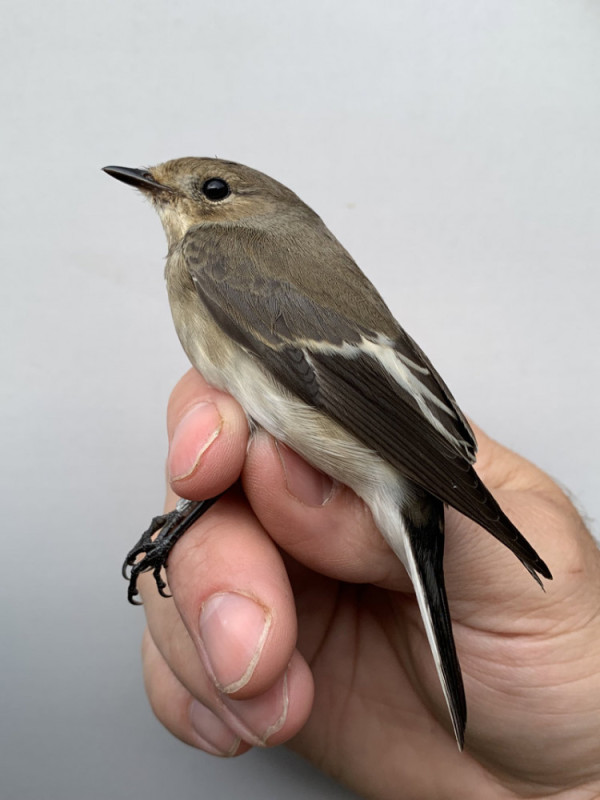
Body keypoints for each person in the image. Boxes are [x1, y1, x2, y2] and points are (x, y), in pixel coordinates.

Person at [138, 369, 600, 799]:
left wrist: (583, 776)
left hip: (388, 457)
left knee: (247, 447)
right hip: (393, 448)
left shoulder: (210, 275)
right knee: (246, 450)